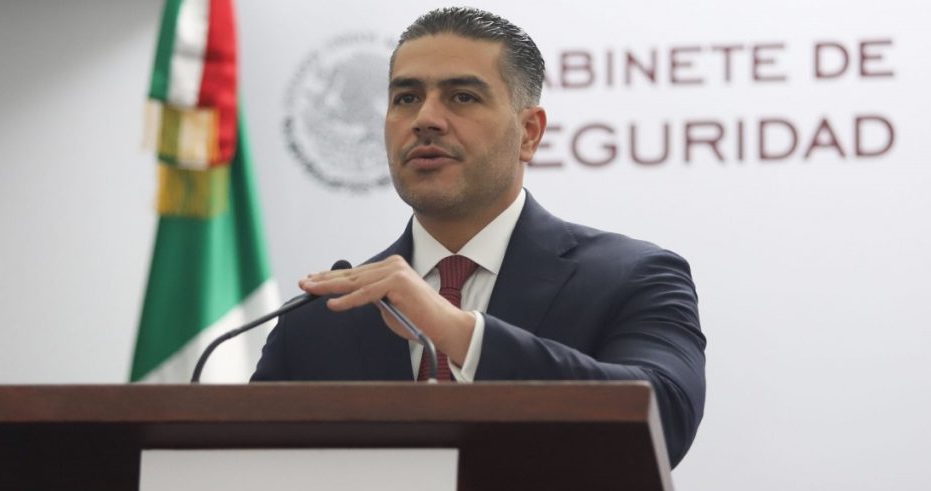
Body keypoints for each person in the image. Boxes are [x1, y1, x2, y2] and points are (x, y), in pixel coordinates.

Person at [251, 7, 706, 466]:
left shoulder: (632, 278)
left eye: (462, 97)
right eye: (406, 98)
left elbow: (663, 417)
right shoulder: (318, 318)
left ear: (529, 133)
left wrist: (458, 333)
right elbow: (250, 469)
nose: (425, 119)